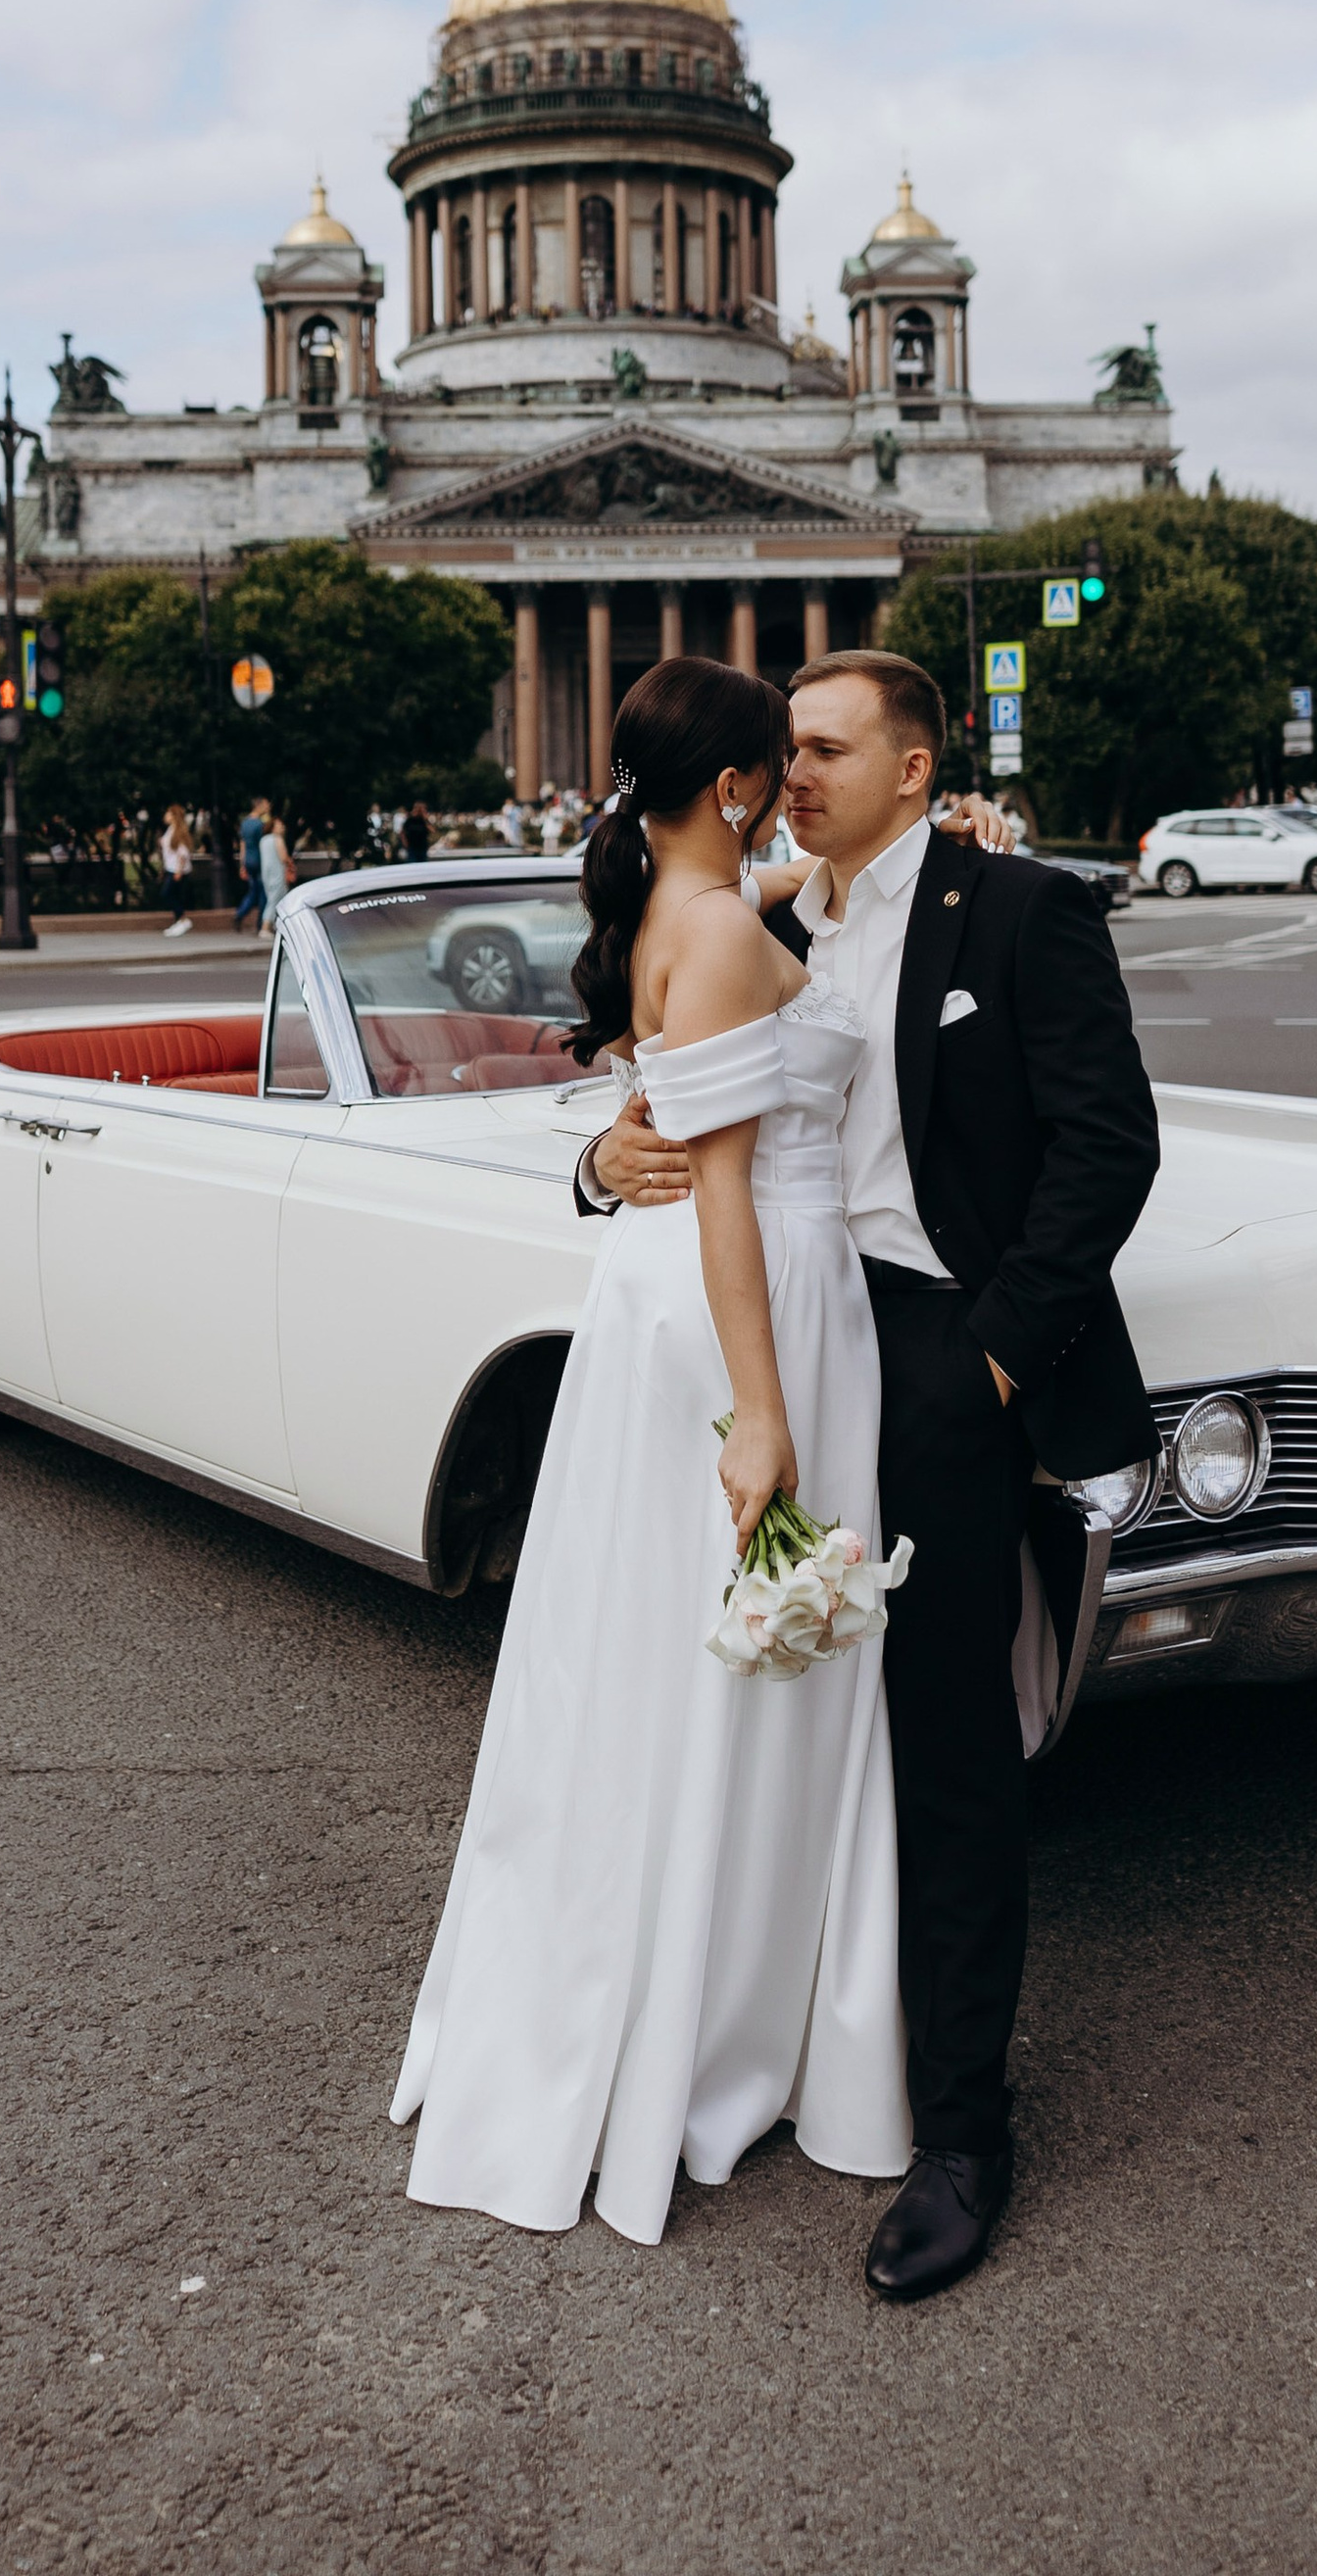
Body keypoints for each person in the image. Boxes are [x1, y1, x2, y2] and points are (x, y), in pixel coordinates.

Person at [583, 652, 1158, 2301]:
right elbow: (678, 1102)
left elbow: (1110, 1149)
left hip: (929, 1347)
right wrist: (598, 1154)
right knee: (785, 1704)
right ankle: (784, 2036)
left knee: (939, 1727)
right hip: (774, 1339)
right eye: (784, 751)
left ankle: (963, 2126)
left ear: (916, 770)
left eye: (826, 749)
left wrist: (991, 1359)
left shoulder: (1023, 908)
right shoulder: (776, 916)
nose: (794, 771)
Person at [390, 657, 907, 2241]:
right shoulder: (733, 936)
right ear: (740, 784)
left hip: (653, 1308)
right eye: (785, 762)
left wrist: (620, 1158)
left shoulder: (667, 919)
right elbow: (734, 1193)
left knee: (641, 1670)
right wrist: (763, 1409)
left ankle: (646, 1999)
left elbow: (661, 1129)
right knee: (758, 1667)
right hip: (751, 1311)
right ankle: (735, 2027)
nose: (802, 785)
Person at [157, 803, 197, 938]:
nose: (165, 816)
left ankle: (184, 920)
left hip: (177, 870)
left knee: (166, 894)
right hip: (171, 868)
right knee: (173, 895)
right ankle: (179, 921)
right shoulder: (171, 830)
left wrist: (179, 870)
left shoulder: (178, 831)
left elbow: (183, 852)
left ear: (174, 816)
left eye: (168, 813)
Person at [234, 798, 270, 931]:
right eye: (266, 805)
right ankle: (261, 923)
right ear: (258, 805)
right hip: (260, 860)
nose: (268, 807)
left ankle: (240, 914)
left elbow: (242, 844)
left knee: (253, 890)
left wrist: (242, 863)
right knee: (263, 892)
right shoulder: (260, 824)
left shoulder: (245, 823)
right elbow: (264, 844)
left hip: (249, 860)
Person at [258, 810, 292, 932]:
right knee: (275, 900)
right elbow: (283, 857)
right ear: (273, 826)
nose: (282, 827)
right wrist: (290, 862)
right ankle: (265, 928)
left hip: (267, 874)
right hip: (278, 873)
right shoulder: (277, 839)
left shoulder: (263, 840)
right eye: (280, 825)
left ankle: (274, 926)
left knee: (271, 898)